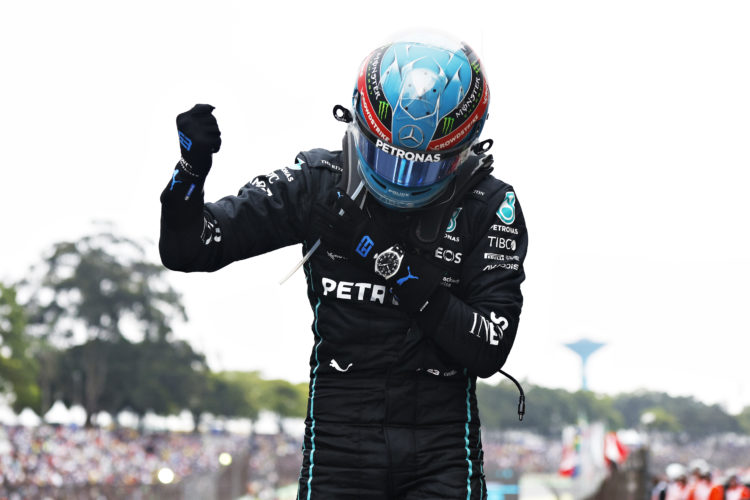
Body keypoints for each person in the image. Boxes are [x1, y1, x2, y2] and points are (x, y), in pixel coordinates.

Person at [159, 34, 528, 499]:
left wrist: (376, 252)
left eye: (422, 168)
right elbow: (188, 249)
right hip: (339, 442)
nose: (401, 180)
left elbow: (488, 349)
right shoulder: (317, 184)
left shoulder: (491, 205)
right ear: (356, 122)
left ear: (465, 148)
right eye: (387, 156)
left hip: (440, 449)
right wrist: (189, 174)